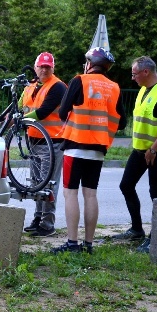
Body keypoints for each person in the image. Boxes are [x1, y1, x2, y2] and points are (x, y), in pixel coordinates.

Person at [51, 47, 127, 254]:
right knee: (91, 194)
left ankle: (72, 243)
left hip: (76, 146)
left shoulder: (80, 80)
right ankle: (89, 244)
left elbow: (63, 112)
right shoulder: (114, 87)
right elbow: (122, 122)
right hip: (98, 149)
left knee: (70, 193)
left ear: (90, 63)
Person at [114, 56, 157, 253]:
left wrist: (154, 149)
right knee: (126, 185)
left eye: (134, 74)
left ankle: (156, 238)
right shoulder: (143, 90)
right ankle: (137, 230)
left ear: (145, 72)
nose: (133, 78)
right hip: (141, 150)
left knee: (156, 194)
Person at [21, 52, 67, 236]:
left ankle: (48, 224)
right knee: (36, 183)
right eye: (41, 66)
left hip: (52, 143)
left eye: (48, 66)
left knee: (48, 184)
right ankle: (38, 217)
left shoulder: (58, 87)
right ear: (35, 67)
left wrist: (20, 120)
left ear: (53, 68)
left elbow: (43, 112)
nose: (44, 69)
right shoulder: (31, 86)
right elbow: (20, 106)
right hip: (34, 142)